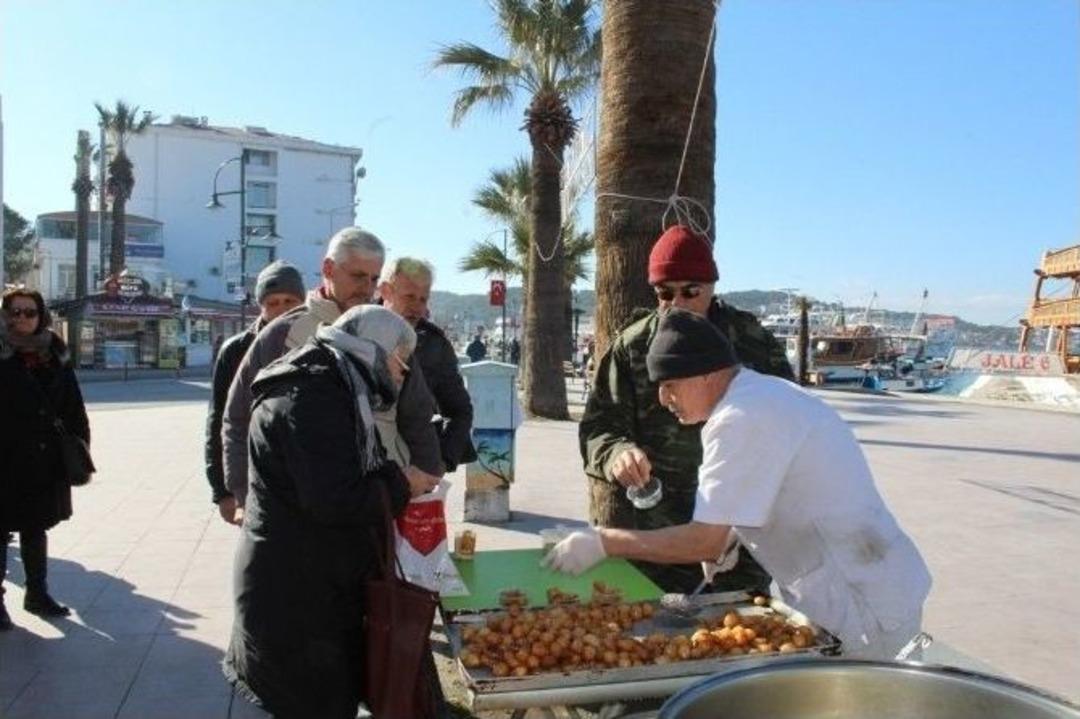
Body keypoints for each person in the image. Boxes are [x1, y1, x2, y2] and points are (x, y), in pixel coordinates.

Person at [547, 309, 931, 660]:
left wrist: (603, 542)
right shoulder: (762, 394)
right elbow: (772, 485)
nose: (664, 399)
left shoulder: (739, 417)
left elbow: (702, 541)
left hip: (862, 605)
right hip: (864, 585)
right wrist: (731, 534)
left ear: (707, 374)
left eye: (670, 385)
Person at [224, 305, 440, 719]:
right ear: (373, 350)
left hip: (311, 589)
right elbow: (336, 498)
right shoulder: (313, 395)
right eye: (401, 362)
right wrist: (403, 484)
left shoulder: (333, 382)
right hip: (296, 602)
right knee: (312, 704)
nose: (403, 375)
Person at [579, 224, 794, 595]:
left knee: (738, 636)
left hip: (737, 537)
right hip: (654, 537)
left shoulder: (753, 343)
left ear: (711, 287)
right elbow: (598, 427)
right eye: (665, 293)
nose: (678, 303)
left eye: (691, 291)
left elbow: (787, 418)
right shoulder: (631, 348)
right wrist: (617, 453)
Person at [221, 227, 443, 507]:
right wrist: (241, 494)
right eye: (358, 276)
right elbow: (239, 416)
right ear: (328, 269)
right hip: (304, 502)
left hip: (383, 496)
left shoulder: (387, 329)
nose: (367, 288)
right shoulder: (283, 334)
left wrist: (425, 481)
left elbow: (416, 413)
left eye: (374, 279)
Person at [0, 289, 90, 629]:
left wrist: (80, 442)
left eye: (30, 312)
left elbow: (72, 401)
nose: (22, 318)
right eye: (15, 311)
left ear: (41, 316)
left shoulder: (54, 351)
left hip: (43, 459)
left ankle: (37, 593)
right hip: (5, 457)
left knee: (36, 529)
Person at [205, 261, 305, 525]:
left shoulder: (317, 341)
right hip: (254, 478)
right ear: (261, 305)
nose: (283, 310)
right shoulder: (236, 350)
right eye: (273, 303)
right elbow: (220, 421)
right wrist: (223, 492)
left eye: (290, 301)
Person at [378, 257, 477, 472]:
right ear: (386, 291)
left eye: (423, 299)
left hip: (415, 473)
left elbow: (460, 411)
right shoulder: (353, 328)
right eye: (409, 297)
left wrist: (442, 461)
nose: (416, 307)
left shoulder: (435, 346)